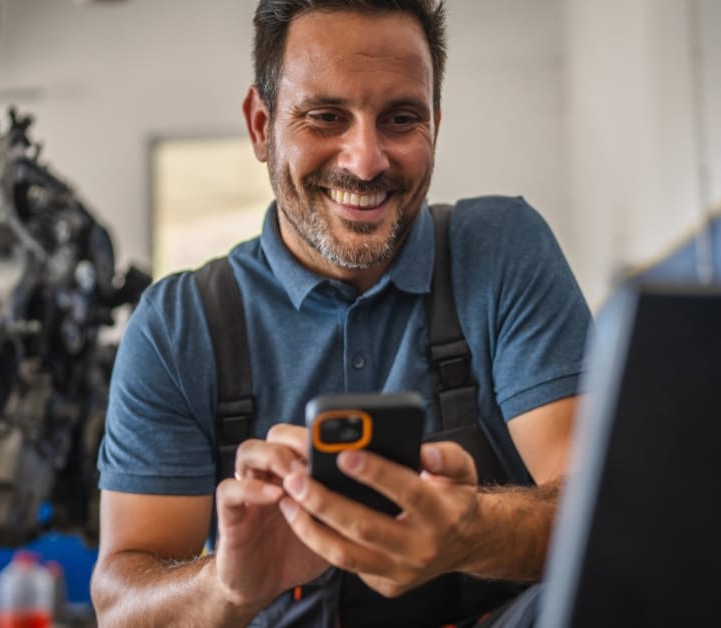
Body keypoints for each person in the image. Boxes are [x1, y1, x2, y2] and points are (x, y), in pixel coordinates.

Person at [90, 1, 592, 626]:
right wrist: (229, 585)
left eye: (401, 119)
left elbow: (603, 511)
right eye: (326, 117)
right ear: (260, 126)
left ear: (434, 122)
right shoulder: (178, 327)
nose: (366, 160)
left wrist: (474, 530)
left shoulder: (500, 251)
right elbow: (120, 604)